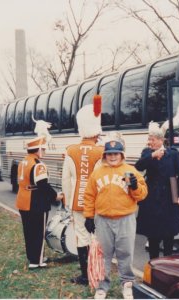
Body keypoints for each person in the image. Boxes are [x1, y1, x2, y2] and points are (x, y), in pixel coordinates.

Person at [83, 137, 147, 299]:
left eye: (116, 153)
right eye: (109, 154)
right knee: (104, 254)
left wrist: (134, 186)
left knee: (125, 252)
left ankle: (127, 284)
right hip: (103, 219)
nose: (113, 157)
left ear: (122, 155)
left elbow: (142, 194)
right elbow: (89, 196)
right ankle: (102, 286)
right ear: (105, 155)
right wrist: (89, 216)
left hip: (126, 218)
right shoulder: (97, 173)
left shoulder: (131, 171)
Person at [61, 103, 104, 285]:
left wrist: (68, 201)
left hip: (77, 203)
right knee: (97, 236)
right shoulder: (101, 151)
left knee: (81, 236)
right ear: (96, 131)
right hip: (97, 204)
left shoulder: (70, 150)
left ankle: (85, 275)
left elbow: (66, 180)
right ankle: (98, 273)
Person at [135, 122, 179, 260]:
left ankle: (168, 265)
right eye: (149, 139)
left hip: (170, 198)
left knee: (169, 236)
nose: (149, 142)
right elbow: (138, 166)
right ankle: (153, 265)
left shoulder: (173, 154)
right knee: (153, 237)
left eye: (152, 139)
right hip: (152, 199)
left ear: (160, 140)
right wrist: (152, 155)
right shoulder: (147, 153)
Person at [16, 136, 63, 269]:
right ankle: (38, 261)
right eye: (43, 149)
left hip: (23, 199)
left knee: (29, 231)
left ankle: (32, 258)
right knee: (38, 232)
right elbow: (43, 185)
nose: (45, 152)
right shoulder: (38, 164)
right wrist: (55, 196)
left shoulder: (23, 161)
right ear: (38, 150)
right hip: (35, 202)